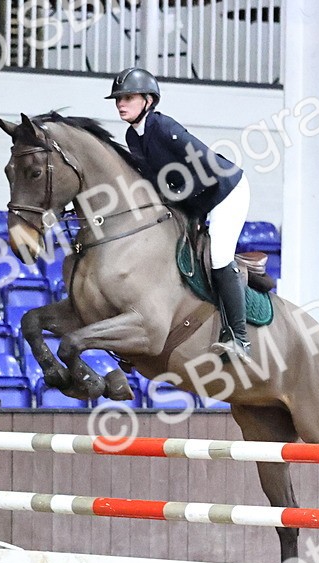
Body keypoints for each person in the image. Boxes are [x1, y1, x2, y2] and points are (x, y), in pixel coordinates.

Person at [106, 67, 253, 365]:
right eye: (118, 99)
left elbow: (201, 165)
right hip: (194, 200)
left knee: (219, 258)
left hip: (226, 191)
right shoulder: (133, 137)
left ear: (148, 100)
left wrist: (179, 203)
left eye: (129, 97)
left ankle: (239, 337)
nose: (121, 103)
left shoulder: (162, 127)